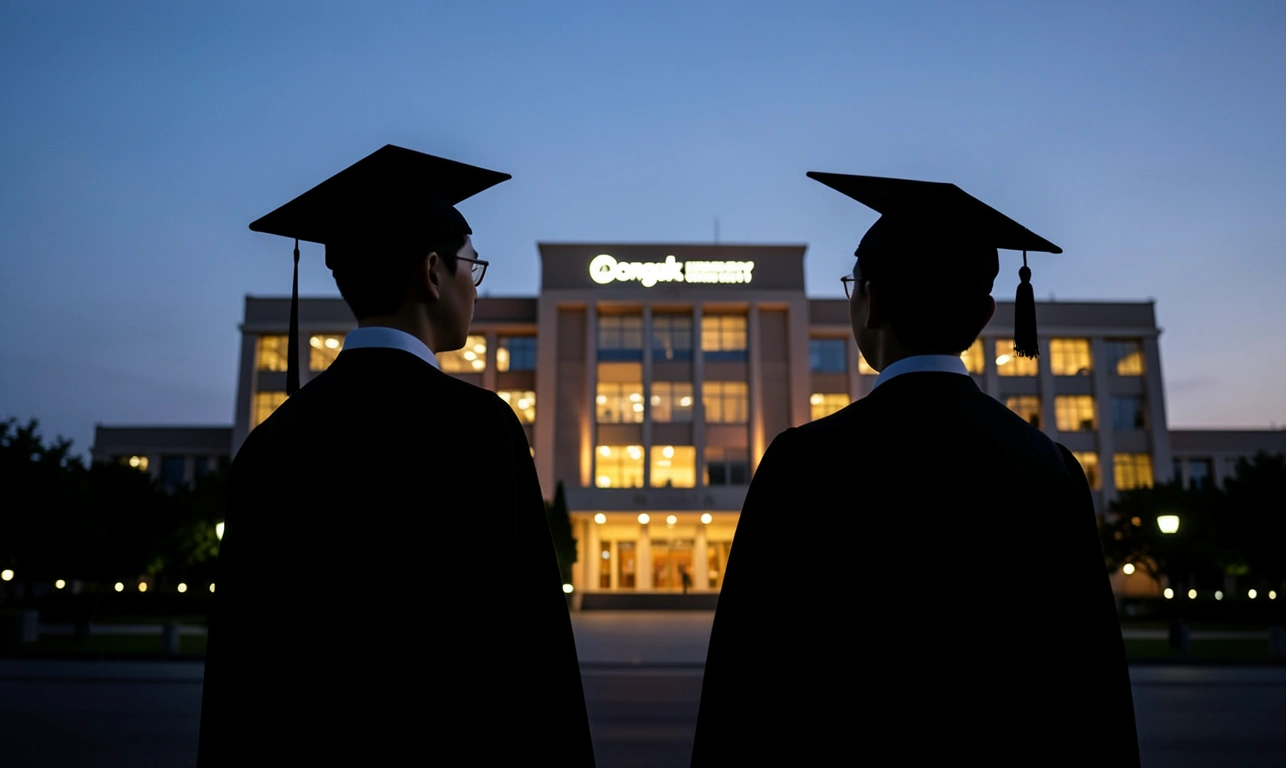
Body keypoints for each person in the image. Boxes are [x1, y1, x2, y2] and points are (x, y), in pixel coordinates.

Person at [691, 172, 1140, 766]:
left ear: (869, 302)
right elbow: (1090, 687)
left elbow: (745, 683)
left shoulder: (802, 465)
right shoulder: (1048, 467)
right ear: (983, 317)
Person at [197, 145, 594, 766]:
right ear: (433, 272)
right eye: (473, 266)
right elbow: (530, 653)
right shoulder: (480, 429)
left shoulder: (271, 445)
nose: (476, 287)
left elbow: (239, 669)